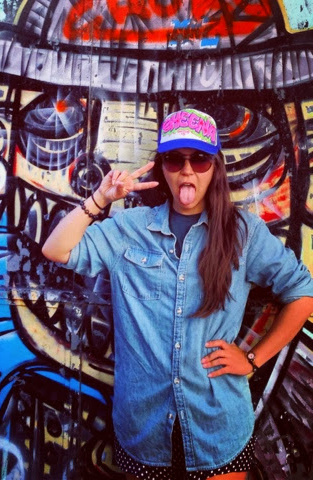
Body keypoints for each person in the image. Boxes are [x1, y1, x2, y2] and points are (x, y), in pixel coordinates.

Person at [41, 108, 313, 480]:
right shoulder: (129, 229)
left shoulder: (243, 233)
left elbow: (302, 292)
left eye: (199, 159)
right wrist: (100, 199)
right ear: (162, 167)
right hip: (144, 429)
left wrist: (253, 360)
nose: (187, 171)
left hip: (217, 428)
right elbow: (56, 250)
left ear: (215, 167)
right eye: (174, 159)